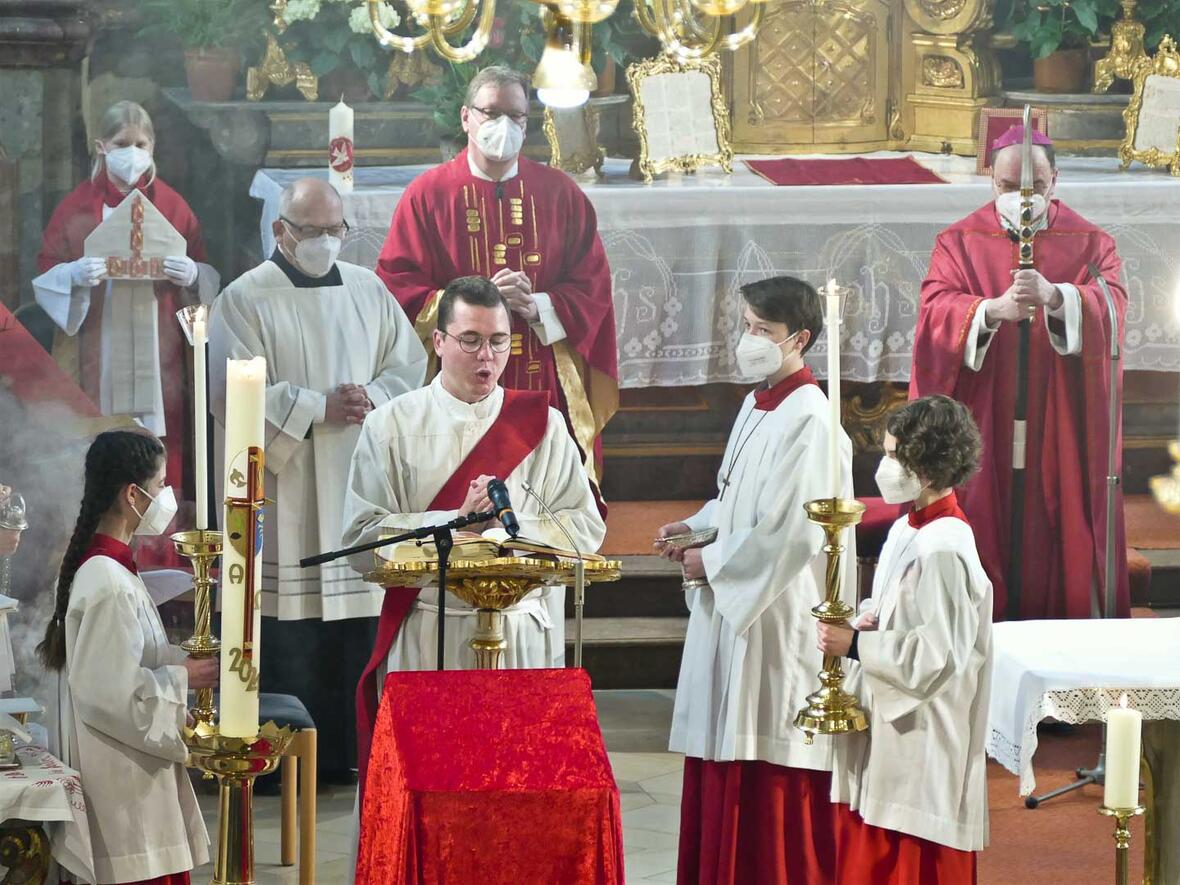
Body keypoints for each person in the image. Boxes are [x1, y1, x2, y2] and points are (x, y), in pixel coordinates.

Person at [341, 275, 605, 785]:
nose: (486, 356)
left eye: (499, 341)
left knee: (518, 791)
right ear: (439, 342)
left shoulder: (544, 425)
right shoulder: (390, 425)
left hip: (524, 638)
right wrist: (453, 522)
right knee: (433, 787)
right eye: (470, 340)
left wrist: (513, 526)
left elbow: (586, 529)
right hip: (431, 633)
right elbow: (360, 540)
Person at [208, 177, 427, 778]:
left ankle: (355, 758)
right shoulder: (245, 298)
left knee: (356, 632)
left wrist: (373, 396)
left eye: (337, 231)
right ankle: (285, 768)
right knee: (291, 633)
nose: (327, 243)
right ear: (281, 231)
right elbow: (233, 387)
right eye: (313, 232)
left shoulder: (367, 289)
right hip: (287, 496)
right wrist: (314, 407)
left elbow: (408, 366)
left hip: (358, 483)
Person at [656, 276, 855, 885]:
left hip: (775, 614)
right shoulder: (756, 403)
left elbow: (794, 532)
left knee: (764, 755)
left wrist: (711, 564)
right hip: (738, 606)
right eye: (745, 327)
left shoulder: (813, 420)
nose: (748, 341)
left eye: (760, 331)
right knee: (724, 743)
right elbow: (735, 500)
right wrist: (693, 528)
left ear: (798, 339)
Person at [911, 125, 1127, 621]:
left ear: (1056, 181)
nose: (1020, 198)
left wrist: (1059, 298)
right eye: (1008, 187)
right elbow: (933, 311)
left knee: (1059, 524)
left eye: (1034, 186)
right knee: (984, 510)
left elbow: (1113, 309)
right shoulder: (958, 241)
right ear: (990, 179)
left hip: (1061, 419)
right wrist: (990, 311)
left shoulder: (1091, 243)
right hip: (985, 410)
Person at [375, 65, 617, 498]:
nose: (504, 125)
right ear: (467, 117)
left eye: (517, 116)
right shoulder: (428, 195)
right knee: (461, 508)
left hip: (538, 378)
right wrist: (473, 303)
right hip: (457, 381)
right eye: (491, 112)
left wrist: (538, 304)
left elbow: (592, 285)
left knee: (542, 509)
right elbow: (396, 286)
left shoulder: (560, 194)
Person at [32, 100, 219, 570]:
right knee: (105, 447)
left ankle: (159, 565)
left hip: (162, 359)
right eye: (122, 145)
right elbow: (44, 274)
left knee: (160, 450)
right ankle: (98, 557)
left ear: (154, 146)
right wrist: (73, 273)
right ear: (101, 146)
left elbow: (208, 274)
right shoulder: (76, 207)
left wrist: (192, 272)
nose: (132, 153)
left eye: (141, 144)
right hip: (101, 348)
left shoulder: (172, 205)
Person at [819, 395, 992, 885]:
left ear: (932, 463)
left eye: (897, 456)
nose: (885, 466)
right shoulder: (908, 528)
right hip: (894, 722)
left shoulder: (944, 549)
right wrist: (865, 619)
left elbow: (936, 657)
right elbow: (896, 605)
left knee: (907, 864)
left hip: (923, 731)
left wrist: (853, 647)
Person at [36, 429, 216, 884]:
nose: (165, 498)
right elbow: (109, 694)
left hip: (131, 783)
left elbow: (125, 661)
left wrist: (178, 661)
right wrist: (182, 678)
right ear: (132, 494)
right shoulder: (106, 582)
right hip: (124, 797)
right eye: (159, 486)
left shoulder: (111, 570)